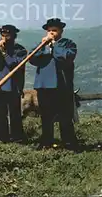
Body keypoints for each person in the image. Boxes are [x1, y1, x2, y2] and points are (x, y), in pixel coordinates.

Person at [29, 18, 78, 150]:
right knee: (46, 116)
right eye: (49, 30)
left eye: (54, 30)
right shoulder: (41, 45)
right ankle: (46, 142)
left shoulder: (68, 44)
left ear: (61, 31)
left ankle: (68, 143)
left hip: (61, 85)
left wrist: (53, 47)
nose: (51, 33)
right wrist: (44, 47)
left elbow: (67, 57)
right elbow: (31, 58)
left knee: (65, 116)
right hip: (44, 86)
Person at [0, 24, 27, 143]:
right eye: (3, 34)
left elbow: (14, 64)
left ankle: (17, 137)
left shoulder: (20, 50)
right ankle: (2, 137)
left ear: (14, 36)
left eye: (7, 35)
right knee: (0, 113)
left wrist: (4, 53)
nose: (4, 37)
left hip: (13, 85)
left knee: (15, 113)